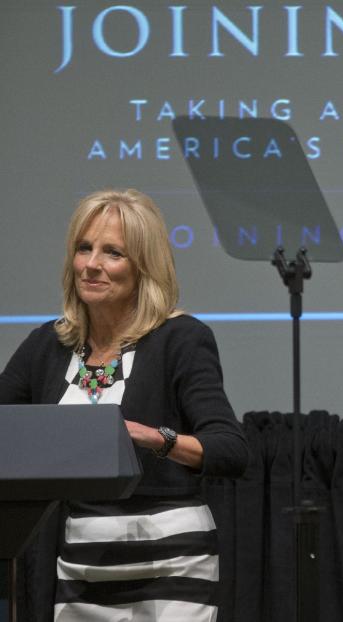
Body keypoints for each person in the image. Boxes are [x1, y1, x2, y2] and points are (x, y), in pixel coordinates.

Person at [0, 189, 248, 621]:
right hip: (80, 570)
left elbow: (230, 449)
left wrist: (153, 438)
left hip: (172, 567)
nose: (92, 264)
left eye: (112, 252)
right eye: (84, 248)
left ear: (143, 268)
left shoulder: (181, 339)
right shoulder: (47, 344)